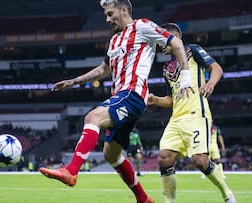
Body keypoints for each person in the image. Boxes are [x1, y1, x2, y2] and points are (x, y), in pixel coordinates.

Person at [38, 1, 193, 202]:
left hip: (132, 94)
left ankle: (71, 171)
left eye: (110, 14)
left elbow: (176, 43)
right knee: (111, 154)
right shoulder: (114, 41)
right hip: (121, 97)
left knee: (92, 117)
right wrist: (73, 81)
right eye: (106, 15)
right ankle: (143, 198)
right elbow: (103, 70)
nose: (107, 19)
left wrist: (186, 78)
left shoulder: (142, 26)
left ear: (124, 10)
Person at [148, 23, 237, 203]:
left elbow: (217, 68)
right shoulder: (166, 69)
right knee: (165, 158)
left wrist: (210, 83)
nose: (159, 46)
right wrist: (156, 100)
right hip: (176, 119)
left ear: (173, 38)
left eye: (161, 41)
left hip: (196, 114)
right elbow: (171, 99)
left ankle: (228, 195)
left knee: (200, 161)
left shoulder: (193, 50)